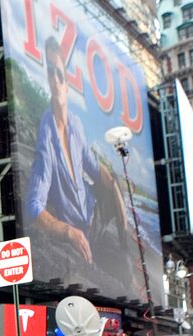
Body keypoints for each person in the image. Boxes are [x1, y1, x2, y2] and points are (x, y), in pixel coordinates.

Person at [25, 36, 136, 292]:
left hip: (94, 218)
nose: (55, 79)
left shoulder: (75, 123)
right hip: (76, 231)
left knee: (125, 267)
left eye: (60, 74)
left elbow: (95, 168)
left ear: (67, 84)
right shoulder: (47, 137)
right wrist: (68, 232)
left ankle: (125, 246)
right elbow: (33, 207)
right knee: (116, 283)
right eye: (50, 73)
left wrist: (123, 223)